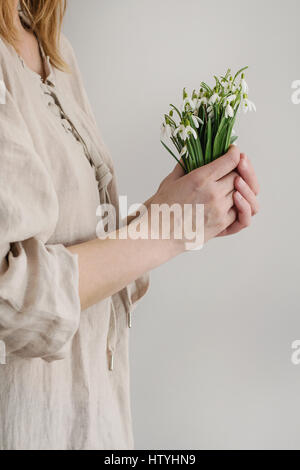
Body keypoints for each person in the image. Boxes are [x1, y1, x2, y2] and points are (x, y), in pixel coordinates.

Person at [0, 0, 259, 450]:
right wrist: (166, 228)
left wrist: (178, 210)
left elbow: (84, 258)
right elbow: (11, 297)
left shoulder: (55, 50)